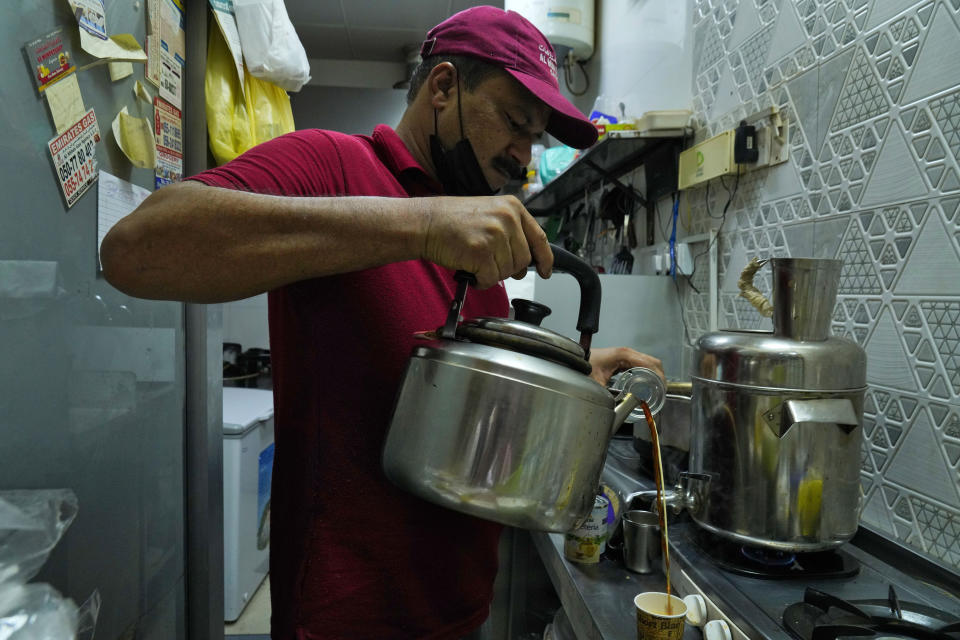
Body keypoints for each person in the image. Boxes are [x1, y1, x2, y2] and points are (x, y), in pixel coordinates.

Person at [102, 6, 664, 639]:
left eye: (536, 137)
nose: (524, 155)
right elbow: (135, 250)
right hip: (346, 618)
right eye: (514, 122)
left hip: (456, 612)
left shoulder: (476, 240)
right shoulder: (334, 165)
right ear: (444, 87)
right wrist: (422, 224)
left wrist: (579, 372)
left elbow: (446, 390)